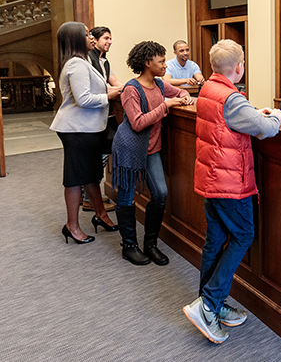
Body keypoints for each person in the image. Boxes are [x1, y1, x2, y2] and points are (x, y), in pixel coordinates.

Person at [182, 39, 281, 344]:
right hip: (230, 184)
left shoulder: (209, 90)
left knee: (215, 240)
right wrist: (275, 116)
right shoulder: (231, 99)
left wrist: (253, 112)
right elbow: (266, 129)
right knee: (242, 236)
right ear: (238, 67)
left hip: (212, 178)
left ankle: (209, 304)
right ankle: (209, 303)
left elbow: (232, 122)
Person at [112, 41, 192, 265]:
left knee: (160, 194)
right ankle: (129, 246)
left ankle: (151, 244)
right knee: (127, 198)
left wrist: (184, 96)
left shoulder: (159, 84)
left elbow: (181, 91)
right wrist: (166, 106)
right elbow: (137, 123)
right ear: (148, 63)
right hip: (130, 148)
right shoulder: (131, 89)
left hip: (151, 148)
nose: (166, 65)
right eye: (161, 61)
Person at [50, 22, 121, 244]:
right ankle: (71, 226)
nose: (91, 37)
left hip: (88, 129)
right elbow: (85, 100)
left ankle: (101, 215)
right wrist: (111, 96)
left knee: (91, 175)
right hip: (76, 129)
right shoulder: (76, 65)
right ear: (75, 39)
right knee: (74, 179)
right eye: (87, 34)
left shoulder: (83, 62)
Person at [82, 25, 124, 213]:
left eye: (110, 38)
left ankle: (92, 197)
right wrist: (116, 91)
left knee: (102, 156)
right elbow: (98, 90)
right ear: (95, 40)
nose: (109, 42)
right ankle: (88, 198)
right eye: (105, 38)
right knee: (96, 158)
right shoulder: (88, 60)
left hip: (103, 115)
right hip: (90, 116)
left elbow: (115, 84)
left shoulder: (104, 61)